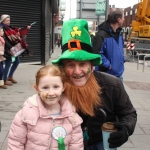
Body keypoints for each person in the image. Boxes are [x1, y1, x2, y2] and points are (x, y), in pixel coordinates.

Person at [52, 19, 137, 150]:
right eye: (70, 65)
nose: (77, 71)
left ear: (92, 66)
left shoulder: (112, 84)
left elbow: (128, 113)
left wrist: (125, 129)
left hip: (102, 142)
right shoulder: (54, 88)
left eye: (82, 64)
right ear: (63, 68)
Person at [7, 65, 83, 150]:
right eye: (45, 88)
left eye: (56, 87)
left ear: (63, 87)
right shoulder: (25, 115)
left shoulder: (72, 117)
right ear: (37, 89)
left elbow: (76, 145)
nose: (51, 93)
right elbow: (16, 143)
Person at [92, 8, 126, 82]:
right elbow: (97, 54)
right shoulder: (101, 35)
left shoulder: (119, 33)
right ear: (119, 19)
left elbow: (120, 49)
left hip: (118, 74)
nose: (124, 19)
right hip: (106, 76)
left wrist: (122, 59)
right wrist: (109, 66)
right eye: (123, 17)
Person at [0, 14, 31, 86]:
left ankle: (10, 76)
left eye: (9, 20)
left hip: (13, 48)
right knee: (8, 63)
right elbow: (4, 39)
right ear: (3, 21)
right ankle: (4, 79)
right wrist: (10, 48)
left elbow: (17, 31)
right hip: (7, 49)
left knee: (17, 62)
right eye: (7, 20)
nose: (9, 22)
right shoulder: (2, 27)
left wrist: (26, 28)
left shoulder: (9, 27)